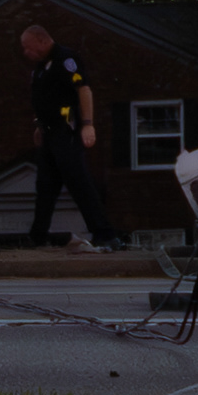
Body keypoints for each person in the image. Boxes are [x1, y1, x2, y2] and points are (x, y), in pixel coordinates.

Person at [17, 21, 122, 250]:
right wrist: (38, 125)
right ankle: (37, 236)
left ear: (43, 41)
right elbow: (43, 100)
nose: (26, 52)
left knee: (78, 182)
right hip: (48, 133)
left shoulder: (66, 59)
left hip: (67, 130)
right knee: (45, 186)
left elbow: (83, 89)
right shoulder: (41, 67)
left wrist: (88, 124)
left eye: (29, 46)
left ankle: (104, 234)